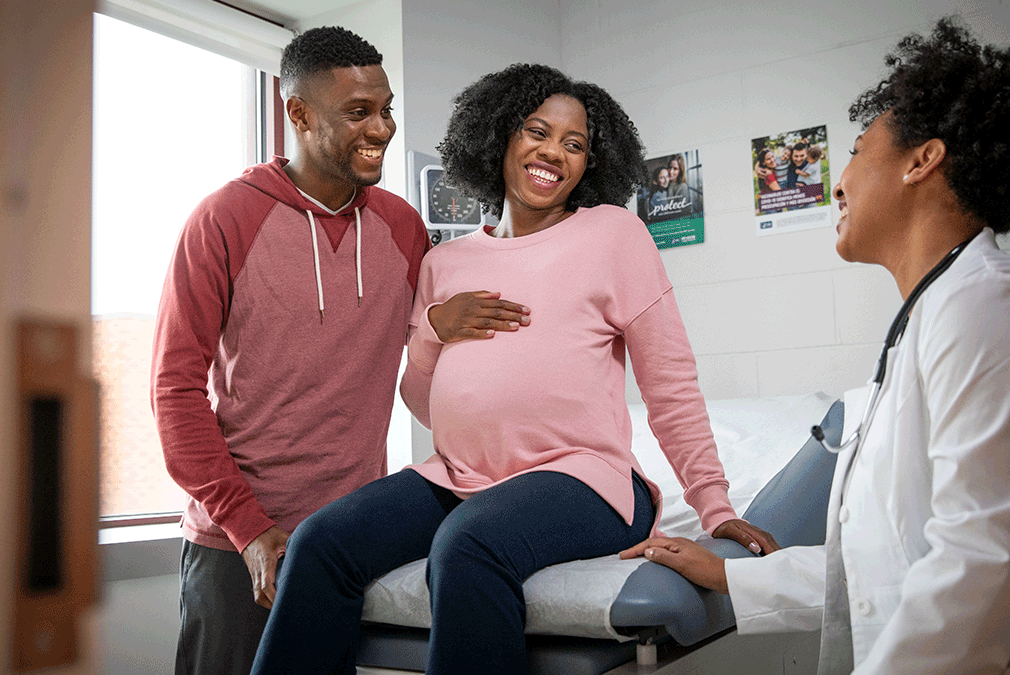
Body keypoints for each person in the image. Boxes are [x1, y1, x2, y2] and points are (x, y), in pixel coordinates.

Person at [249, 63, 778, 675]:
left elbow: (671, 387)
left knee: (468, 546)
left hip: (588, 481)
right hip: (461, 478)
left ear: (590, 163)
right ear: (499, 136)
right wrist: (435, 331)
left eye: (574, 144)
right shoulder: (444, 263)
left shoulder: (614, 235)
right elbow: (420, 402)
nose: (554, 151)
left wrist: (715, 506)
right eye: (536, 131)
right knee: (319, 543)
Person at [622, 16, 1010, 674]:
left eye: (859, 151)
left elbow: (977, 569)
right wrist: (731, 576)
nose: (838, 181)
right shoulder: (932, 319)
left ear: (923, 161)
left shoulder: (994, 306)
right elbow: (884, 569)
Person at [150, 26, 430, 675]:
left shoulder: (401, 226)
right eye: (358, 111)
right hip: (234, 542)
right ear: (297, 112)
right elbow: (174, 391)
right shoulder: (224, 219)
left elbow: (442, 348)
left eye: (386, 109)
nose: (382, 128)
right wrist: (248, 527)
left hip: (343, 541)